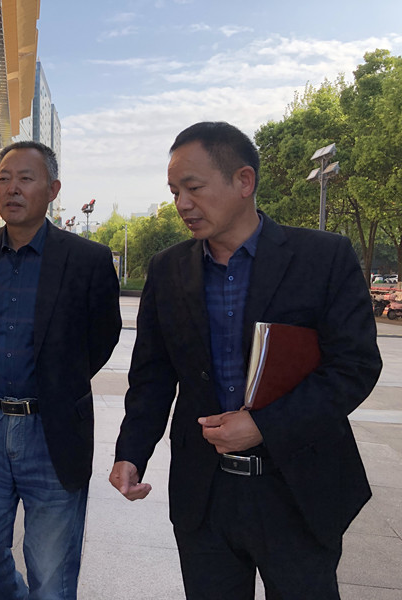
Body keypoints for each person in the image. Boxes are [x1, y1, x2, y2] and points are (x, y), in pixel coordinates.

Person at [109, 122, 382, 599]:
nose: (182, 204)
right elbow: (152, 374)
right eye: (174, 192)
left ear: (243, 181)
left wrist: (264, 426)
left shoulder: (323, 258)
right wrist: (132, 451)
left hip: (298, 489)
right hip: (204, 494)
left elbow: (355, 366)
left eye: (193, 188)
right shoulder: (168, 269)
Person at [0, 141, 121, 598]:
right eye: (4, 178)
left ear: (53, 189)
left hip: (52, 429)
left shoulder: (87, 259)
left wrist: (59, 381)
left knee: (51, 573)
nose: (12, 188)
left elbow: (104, 336)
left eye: (25, 178)